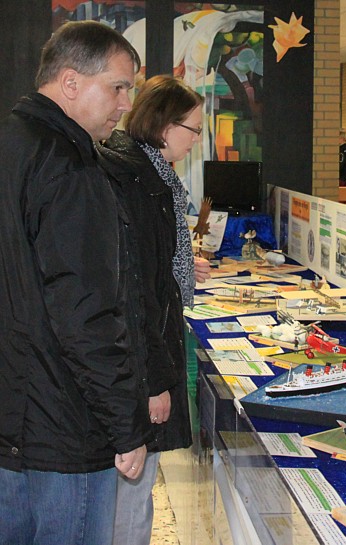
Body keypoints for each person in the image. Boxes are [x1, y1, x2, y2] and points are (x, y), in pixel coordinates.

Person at [0, 21, 150, 545]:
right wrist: (125, 425)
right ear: (69, 83)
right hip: (65, 429)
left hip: (14, 423)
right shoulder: (69, 165)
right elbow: (85, 313)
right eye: (117, 87)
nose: (125, 103)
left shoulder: (12, 143)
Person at [96, 75, 211, 545]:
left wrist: (183, 263)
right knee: (131, 497)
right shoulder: (141, 184)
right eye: (195, 129)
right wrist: (156, 383)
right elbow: (140, 298)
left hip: (137, 366)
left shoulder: (150, 176)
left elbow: (155, 270)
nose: (197, 139)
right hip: (140, 372)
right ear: (166, 127)